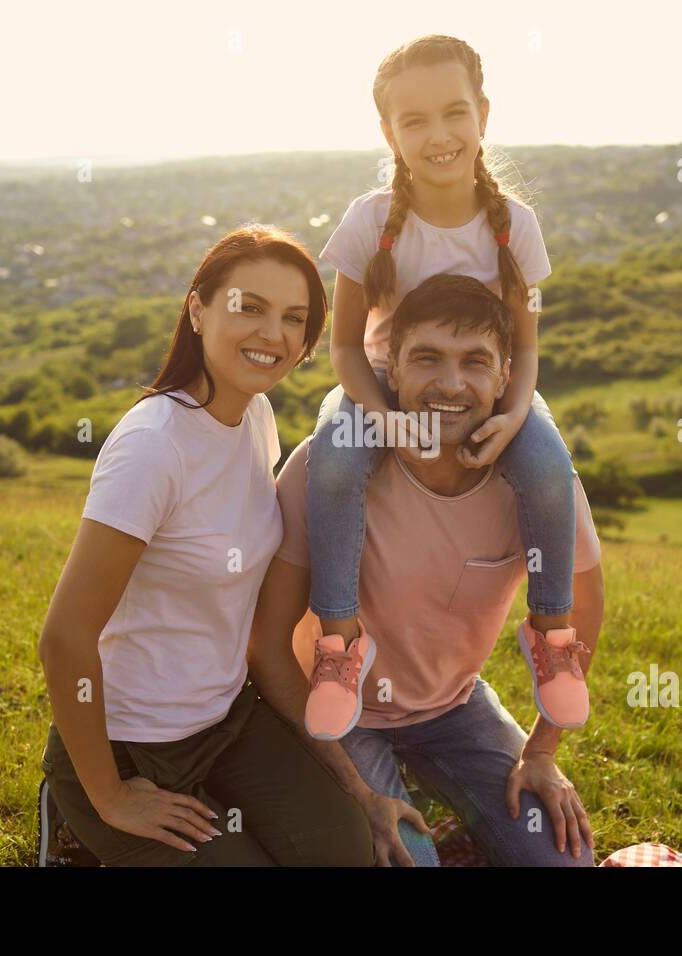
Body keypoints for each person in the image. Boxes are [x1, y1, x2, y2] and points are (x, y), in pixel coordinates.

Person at [36, 226, 373, 866]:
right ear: (198, 308)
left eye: (293, 319)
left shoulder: (255, 416)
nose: (272, 334)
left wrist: (357, 783)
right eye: (250, 307)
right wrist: (111, 795)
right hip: (128, 748)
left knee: (346, 853)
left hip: (227, 723)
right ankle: (76, 816)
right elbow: (64, 638)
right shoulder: (153, 446)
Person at [250, 273, 604, 866]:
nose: (450, 383)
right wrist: (354, 788)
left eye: (475, 361)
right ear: (390, 367)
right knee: (407, 860)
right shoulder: (324, 469)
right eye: (427, 358)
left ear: (506, 375)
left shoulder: (542, 488)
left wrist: (541, 750)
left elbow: (584, 610)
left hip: (456, 706)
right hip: (340, 716)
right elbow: (266, 645)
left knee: (562, 862)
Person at [304, 34, 584, 741]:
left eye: (454, 113)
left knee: (550, 472)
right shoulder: (371, 221)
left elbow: (524, 348)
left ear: (483, 116)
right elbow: (343, 344)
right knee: (333, 464)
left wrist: (516, 415)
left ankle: (552, 637)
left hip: (487, 393)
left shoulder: (512, 227)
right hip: (380, 387)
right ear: (388, 134)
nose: (438, 135)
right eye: (415, 120)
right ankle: (339, 646)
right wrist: (382, 418)